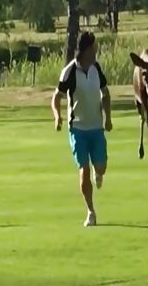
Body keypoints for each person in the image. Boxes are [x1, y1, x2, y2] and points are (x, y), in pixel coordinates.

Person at [51, 32, 112, 227]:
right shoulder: (69, 72)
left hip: (96, 128)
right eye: (93, 48)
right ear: (85, 50)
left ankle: (98, 172)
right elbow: (56, 97)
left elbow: (105, 93)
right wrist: (57, 116)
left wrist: (108, 118)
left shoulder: (96, 68)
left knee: (101, 167)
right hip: (77, 128)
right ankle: (90, 211)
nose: (96, 51)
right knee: (83, 169)